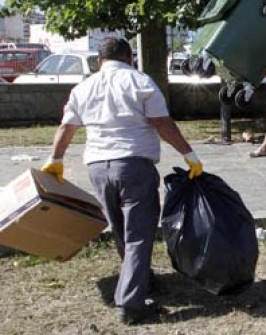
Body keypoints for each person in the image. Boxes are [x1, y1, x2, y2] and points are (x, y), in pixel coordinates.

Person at [41, 38, 203, 325]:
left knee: (120, 228)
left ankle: (142, 280)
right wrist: (188, 154)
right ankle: (131, 304)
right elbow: (162, 123)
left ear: (99, 60)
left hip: (97, 167)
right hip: (133, 165)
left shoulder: (83, 87)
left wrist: (56, 158)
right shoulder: (139, 82)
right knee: (138, 234)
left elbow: (67, 126)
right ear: (130, 57)